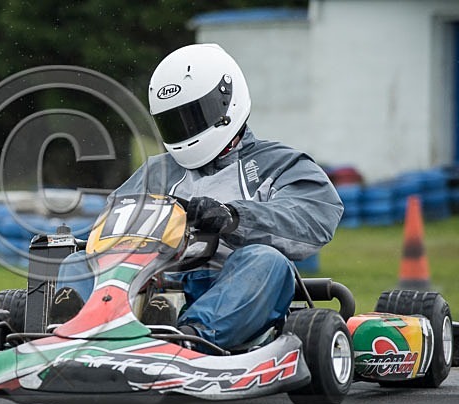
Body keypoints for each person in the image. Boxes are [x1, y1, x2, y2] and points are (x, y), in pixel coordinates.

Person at [52, 43, 344, 350]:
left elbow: (315, 215)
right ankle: (76, 330)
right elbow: (112, 223)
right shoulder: (156, 172)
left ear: (225, 102)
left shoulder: (279, 163)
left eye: (193, 116)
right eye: (174, 121)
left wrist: (234, 217)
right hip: (152, 283)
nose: (185, 129)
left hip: (230, 286)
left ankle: (187, 336)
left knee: (268, 261)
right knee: (78, 261)